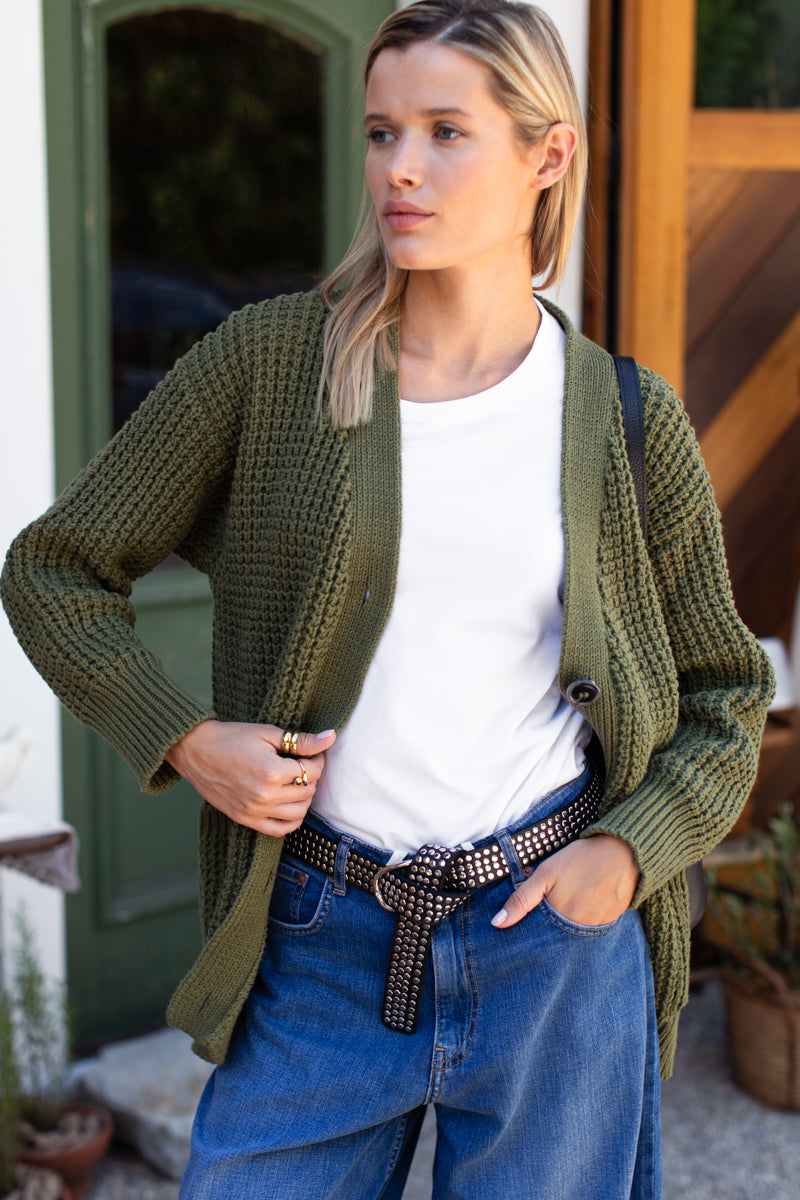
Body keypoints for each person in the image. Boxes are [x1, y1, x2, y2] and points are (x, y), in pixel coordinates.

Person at [1, 2, 774, 1197]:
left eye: (444, 132)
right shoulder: (271, 366)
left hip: (550, 949)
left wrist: (627, 854)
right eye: (380, 131)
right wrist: (188, 741)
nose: (398, 168)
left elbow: (724, 693)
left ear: (547, 154)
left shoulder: (625, 420)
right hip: (321, 937)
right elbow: (54, 568)